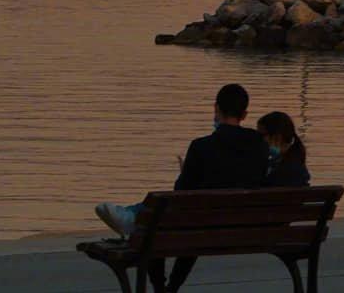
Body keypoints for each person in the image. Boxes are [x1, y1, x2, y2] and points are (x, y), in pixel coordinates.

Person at [94, 84, 269, 292]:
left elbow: (180, 192)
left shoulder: (201, 146)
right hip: (244, 226)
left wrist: (185, 171)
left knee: (158, 222)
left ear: (216, 108)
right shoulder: (260, 144)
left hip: (200, 225)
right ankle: (169, 286)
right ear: (245, 114)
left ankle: (133, 217)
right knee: (177, 219)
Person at [257, 111, 310, 187]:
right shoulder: (294, 161)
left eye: (261, 135)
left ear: (277, 137)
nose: (258, 139)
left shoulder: (289, 170)